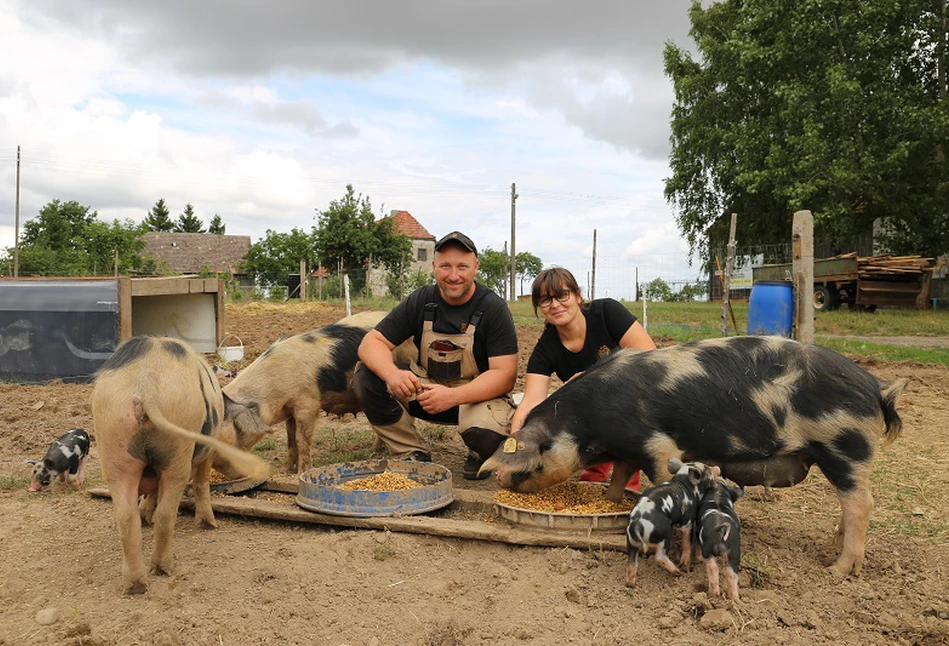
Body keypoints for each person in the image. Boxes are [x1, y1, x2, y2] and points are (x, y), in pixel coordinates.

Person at [352, 231, 518, 480]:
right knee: (366, 377)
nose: (453, 276)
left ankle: (478, 452)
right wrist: (393, 374)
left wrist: (453, 396)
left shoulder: (492, 308)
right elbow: (370, 343)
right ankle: (410, 451)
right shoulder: (422, 300)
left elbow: (505, 376)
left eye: (462, 266)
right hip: (427, 392)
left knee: (485, 437)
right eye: (445, 266)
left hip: (474, 399)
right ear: (433, 267)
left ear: (476, 267)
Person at [509, 267, 656, 489]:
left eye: (562, 295)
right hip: (591, 415)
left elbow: (649, 356)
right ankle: (596, 470)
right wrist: (516, 445)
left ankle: (627, 474)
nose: (555, 305)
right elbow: (531, 400)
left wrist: (592, 376)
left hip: (636, 400)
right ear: (539, 308)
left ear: (578, 296)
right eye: (546, 300)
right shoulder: (546, 347)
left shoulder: (607, 313)